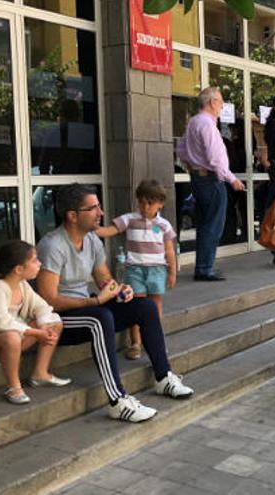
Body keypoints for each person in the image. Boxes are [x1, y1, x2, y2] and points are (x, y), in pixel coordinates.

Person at [36, 184, 193, 423]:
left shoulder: (92, 241)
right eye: (93, 208)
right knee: (101, 318)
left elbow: (104, 280)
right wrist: (93, 301)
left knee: (145, 307)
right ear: (72, 215)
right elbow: (48, 301)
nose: (100, 212)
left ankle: (164, 377)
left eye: (99, 206)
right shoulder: (53, 246)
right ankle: (117, 400)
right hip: (56, 322)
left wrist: (121, 290)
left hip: (87, 307)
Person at [0, 240, 68, 405]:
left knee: (54, 322)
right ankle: (14, 387)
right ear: (19, 269)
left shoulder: (22, 285)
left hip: (10, 341)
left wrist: (44, 327)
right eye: (35, 260)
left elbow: (42, 308)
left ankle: (40, 373)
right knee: (11, 336)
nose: (39, 264)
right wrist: (36, 333)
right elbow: (1, 322)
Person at [95, 179, 177, 360]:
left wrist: (172, 272)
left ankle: (156, 340)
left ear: (160, 204)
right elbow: (110, 230)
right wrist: (93, 229)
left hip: (157, 270)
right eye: (141, 202)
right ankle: (136, 343)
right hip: (135, 270)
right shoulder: (130, 219)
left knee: (155, 306)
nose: (145, 207)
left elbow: (169, 251)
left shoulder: (164, 225)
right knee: (136, 305)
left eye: (150, 203)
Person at [176, 87, 246, 282]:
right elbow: (216, 159)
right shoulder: (207, 124)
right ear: (212, 102)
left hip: (199, 178)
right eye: (221, 102)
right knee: (213, 225)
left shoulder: (193, 122)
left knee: (205, 223)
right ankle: (205, 268)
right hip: (211, 179)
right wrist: (232, 179)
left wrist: (192, 166)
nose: (222, 106)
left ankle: (203, 266)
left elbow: (180, 150)